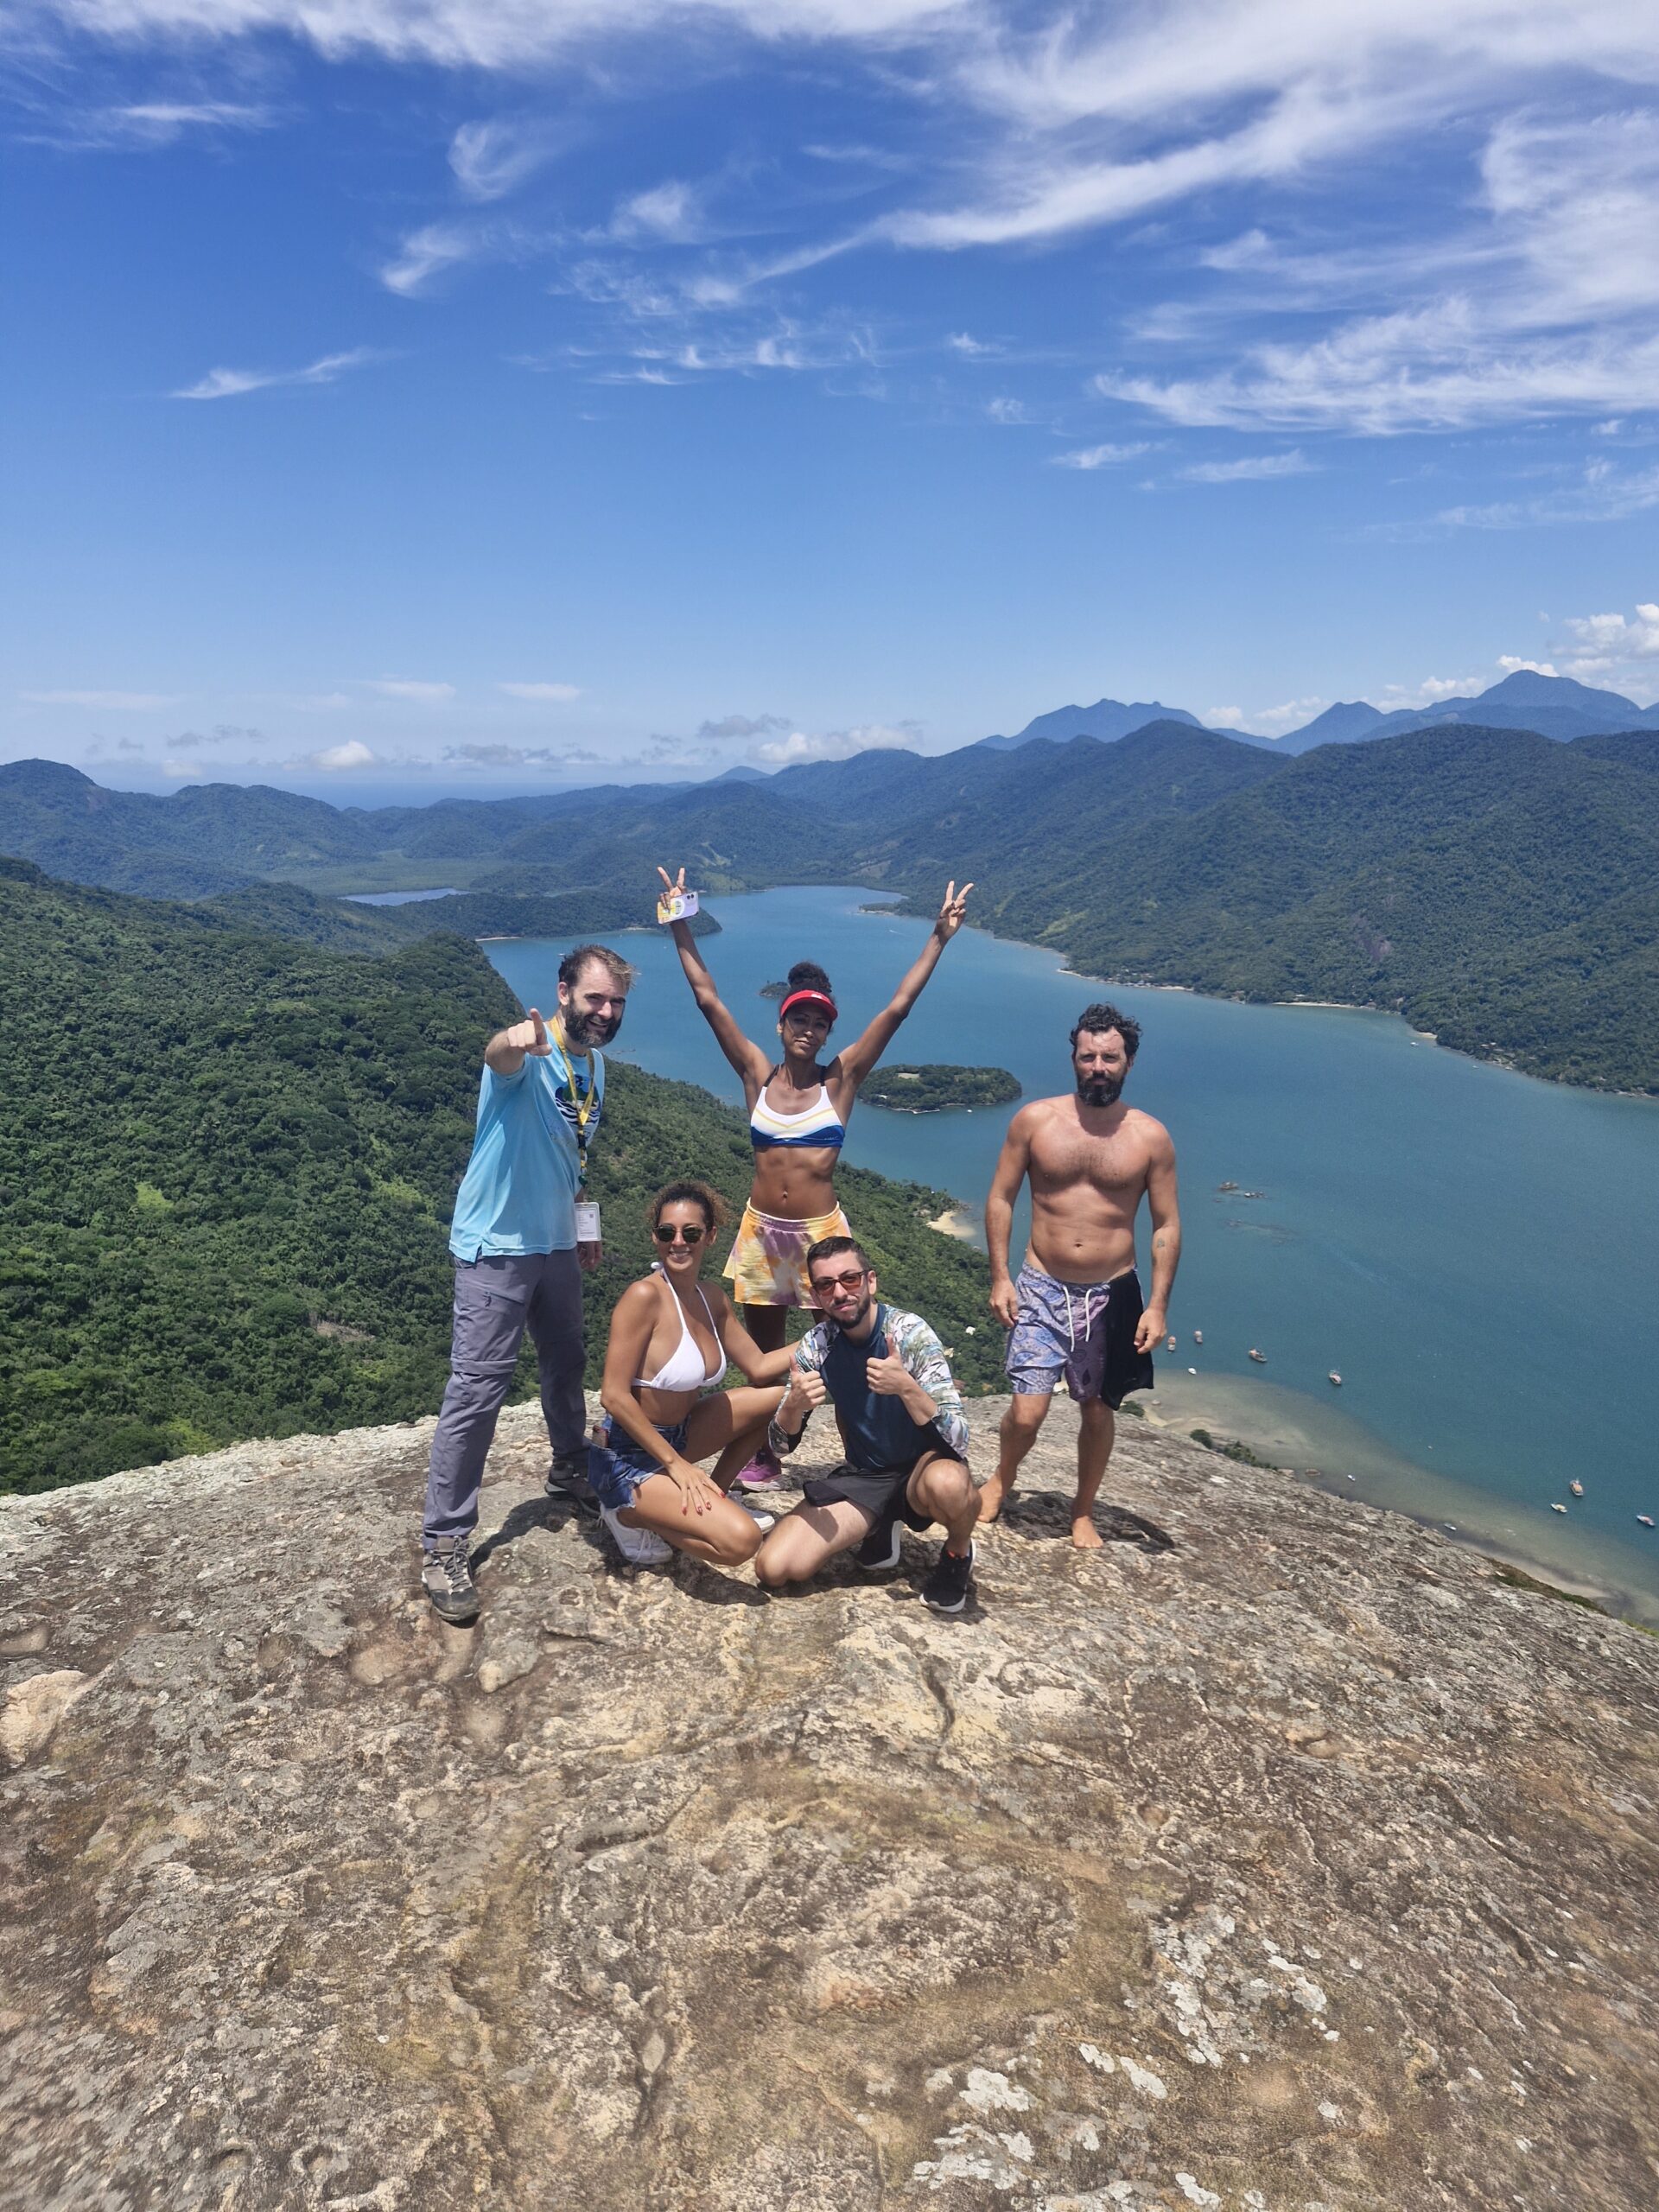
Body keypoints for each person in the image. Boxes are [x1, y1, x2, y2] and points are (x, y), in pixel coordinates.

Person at [657, 863, 972, 1484]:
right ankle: (766, 1451)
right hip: (762, 1233)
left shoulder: (842, 1080)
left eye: (819, 1021)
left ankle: (871, 1451)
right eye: (798, 1018)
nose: (808, 1028)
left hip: (820, 1236)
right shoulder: (756, 1074)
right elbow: (707, 1000)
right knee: (767, 1360)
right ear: (782, 1024)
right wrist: (678, 922)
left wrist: (938, 937)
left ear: (830, 1029)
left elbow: (899, 1008)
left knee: (848, 1344)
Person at [421, 944, 634, 1623]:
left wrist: (584, 1221)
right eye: (595, 999)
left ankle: (569, 1468)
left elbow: (571, 1152)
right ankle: (444, 1541)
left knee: (565, 1367)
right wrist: (513, 1038)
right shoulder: (529, 1058)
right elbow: (498, 1057)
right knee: (477, 1392)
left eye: (616, 1003)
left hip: (557, 1246)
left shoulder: (594, 1065)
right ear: (564, 992)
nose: (605, 1013)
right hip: (496, 1252)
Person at [977, 1001, 1179, 1550]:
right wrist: (1000, 1276)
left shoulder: (1150, 1138)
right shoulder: (1036, 1121)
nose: (1098, 1066)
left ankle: (1082, 1510)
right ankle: (1002, 1478)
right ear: (1073, 1058)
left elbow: (1166, 1224)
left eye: (1109, 1058)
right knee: (1027, 1409)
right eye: (1088, 1056)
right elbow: (1000, 1198)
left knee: (1098, 1408)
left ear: (1128, 1063)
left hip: (1114, 1292)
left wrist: (1157, 1305)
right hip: (1041, 1285)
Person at [753, 1236, 981, 1614]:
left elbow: (959, 1441)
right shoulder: (817, 1346)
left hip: (922, 1468)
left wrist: (907, 1387)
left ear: (870, 1281)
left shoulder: (910, 1334)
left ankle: (957, 1552)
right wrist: (792, 1407)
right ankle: (883, 1523)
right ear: (817, 1295)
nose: (840, 1292)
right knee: (774, 1567)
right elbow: (778, 1447)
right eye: (826, 1285)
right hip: (867, 1476)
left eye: (850, 1279)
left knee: (950, 1484)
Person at [588, 1181, 796, 1570]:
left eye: (691, 1233)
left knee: (777, 1397)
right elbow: (613, 1396)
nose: (678, 1242)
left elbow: (760, 1367)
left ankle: (716, 1493)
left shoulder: (711, 1298)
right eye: (667, 1233)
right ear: (656, 1238)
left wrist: (825, 1335)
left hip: (681, 1434)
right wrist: (675, 1465)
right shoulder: (643, 1298)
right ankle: (626, 1514)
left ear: (711, 1236)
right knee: (742, 1543)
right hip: (629, 1456)